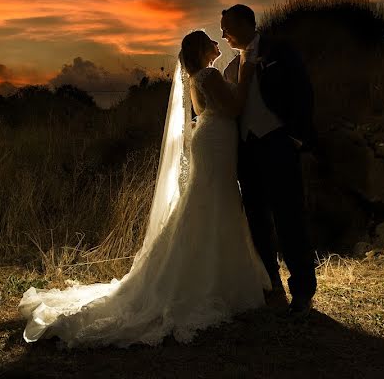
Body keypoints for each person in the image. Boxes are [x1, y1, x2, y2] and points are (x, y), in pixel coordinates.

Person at [18, 30, 270, 348]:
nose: (217, 44)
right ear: (202, 50)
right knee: (215, 200)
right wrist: (247, 72)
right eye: (211, 41)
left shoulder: (197, 76)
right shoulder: (209, 74)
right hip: (216, 140)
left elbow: (207, 112)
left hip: (211, 139)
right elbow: (233, 109)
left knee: (208, 200)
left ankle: (207, 274)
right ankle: (214, 281)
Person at [221, 4, 317, 316]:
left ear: (247, 23)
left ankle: (302, 291)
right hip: (247, 151)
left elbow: (302, 91)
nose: (223, 34)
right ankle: (270, 282)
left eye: (227, 27)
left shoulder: (279, 50)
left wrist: (296, 136)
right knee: (256, 220)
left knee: (290, 217)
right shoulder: (231, 68)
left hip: (278, 142)